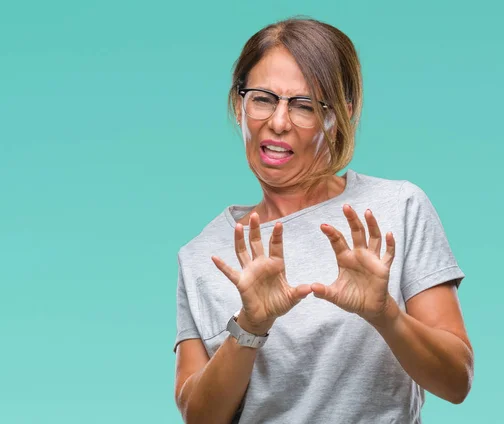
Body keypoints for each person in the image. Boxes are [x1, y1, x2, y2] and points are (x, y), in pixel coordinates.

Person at [173, 17, 473, 424]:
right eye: (263, 98)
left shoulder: (398, 207)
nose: (278, 122)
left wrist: (384, 313)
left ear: (339, 117)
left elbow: (457, 381)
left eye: (304, 105)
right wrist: (250, 326)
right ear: (239, 104)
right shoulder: (200, 256)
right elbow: (198, 417)